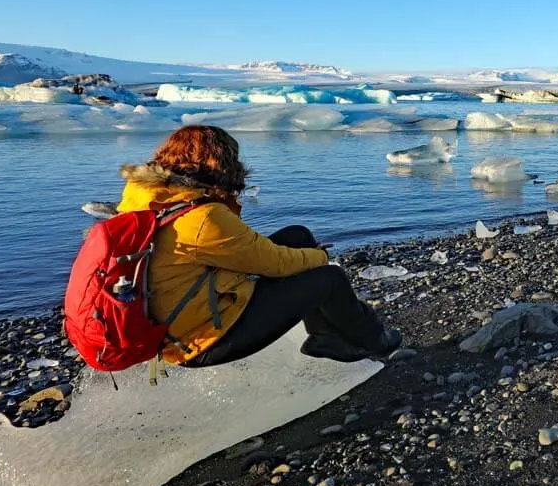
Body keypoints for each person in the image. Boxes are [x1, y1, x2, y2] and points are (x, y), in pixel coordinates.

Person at [117, 124, 400, 366]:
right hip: (204, 340)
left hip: (185, 312)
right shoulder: (201, 217)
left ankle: (324, 336)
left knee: (295, 235)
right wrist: (318, 256)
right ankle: (378, 342)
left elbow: (240, 250)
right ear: (218, 162)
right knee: (329, 279)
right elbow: (274, 264)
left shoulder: (148, 199)